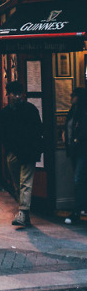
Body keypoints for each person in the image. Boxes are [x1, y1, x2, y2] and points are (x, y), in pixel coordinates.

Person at [0, 80, 44, 227]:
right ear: (8, 95)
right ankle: (25, 214)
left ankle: (23, 212)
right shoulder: (6, 113)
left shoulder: (29, 109)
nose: (17, 97)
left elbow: (38, 130)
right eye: (14, 94)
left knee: (25, 183)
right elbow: (2, 134)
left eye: (19, 94)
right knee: (19, 184)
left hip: (27, 151)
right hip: (14, 153)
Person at [63, 87, 87, 224]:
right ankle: (82, 207)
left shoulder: (82, 112)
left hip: (82, 150)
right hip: (75, 150)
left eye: (74, 95)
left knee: (78, 179)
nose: (71, 96)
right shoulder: (73, 111)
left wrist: (76, 140)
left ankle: (77, 211)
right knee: (80, 179)